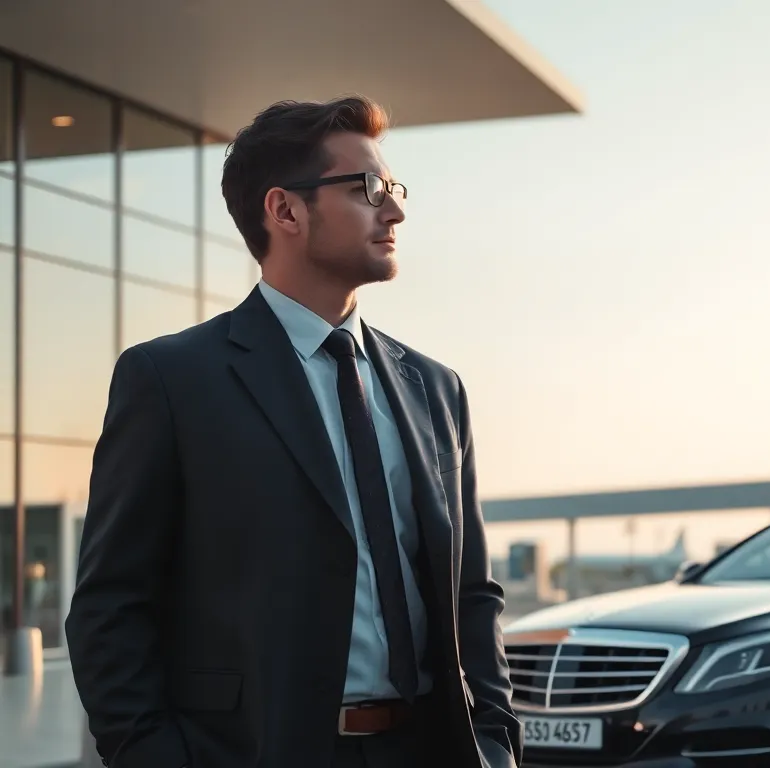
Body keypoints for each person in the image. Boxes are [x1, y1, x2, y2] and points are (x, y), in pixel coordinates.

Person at [65, 96, 520, 768]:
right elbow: (111, 606)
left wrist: (495, 743)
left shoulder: (435, 388)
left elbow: (471, 595)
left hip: (432, 749)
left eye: (394, 189)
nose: (394, 210)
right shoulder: (173, 381)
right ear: (285, 211)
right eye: (369, 189)